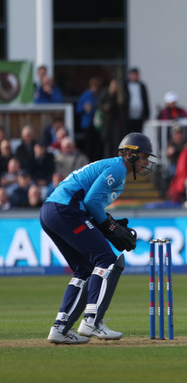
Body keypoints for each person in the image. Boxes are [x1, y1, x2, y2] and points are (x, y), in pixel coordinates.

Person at [43, 133, 157, 344]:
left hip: (53, 211)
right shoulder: (118, 168)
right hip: (66, 210)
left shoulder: (115, 169)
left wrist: (107, 224)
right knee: (108, 261)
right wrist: (109, 226)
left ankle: (60, 328)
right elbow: (92, 201)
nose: (146, 162)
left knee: (84, 270)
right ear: (130, 154)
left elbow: (89, 205)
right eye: (144, 156)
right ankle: (92, 321)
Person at [122, 67, 150, 134]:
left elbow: (145, 100)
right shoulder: (125, 85)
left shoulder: (142, 86)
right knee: (127, 133)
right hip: (128, 116)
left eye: (136, 74)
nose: (134, 76)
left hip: (139, 117)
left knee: (138, 133)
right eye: (133, 74)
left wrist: (147, 114)